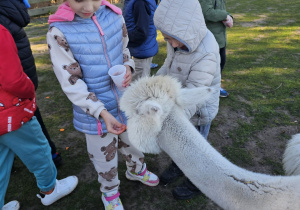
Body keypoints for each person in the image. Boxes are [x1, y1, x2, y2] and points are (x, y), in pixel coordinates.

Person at [47, 0, 159, 209]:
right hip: (95, 116)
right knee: (103, 158)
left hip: (126, 102)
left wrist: (128, 66)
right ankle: (109, 192)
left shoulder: (114, 15)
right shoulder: (58, 32)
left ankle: (136, 169)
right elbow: (71, 83)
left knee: (133, 142)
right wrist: (101, 112)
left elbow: (124, 48)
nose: (88, 7)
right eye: (79, 0)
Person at [0, 24, 78, 210]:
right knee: (39, 149)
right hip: (10, 113)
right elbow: (12, 80)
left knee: (1, 159)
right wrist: (28, 90)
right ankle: (50, 189)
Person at [154, 0, 221, 200]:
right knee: (182, 145)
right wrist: (155, 83)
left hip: (198, 112)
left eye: (172, 39)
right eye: (167, 38)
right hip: (179, 106)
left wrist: (173, 120)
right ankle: (179, 165)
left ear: (186, 30)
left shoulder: (206, 52)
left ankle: (198, 180)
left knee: (196, 147)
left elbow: (196, 94)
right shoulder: (179, 38)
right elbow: (168, 64)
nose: (171, 43)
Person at [0, 0, 63, 167]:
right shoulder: (9, 12)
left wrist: (27, 89)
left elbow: (12, 79)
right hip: (19, 84)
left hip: (17, 89)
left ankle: (49, 165)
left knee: (30, 122)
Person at [199, 0, 233, 97]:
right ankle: (208, 90)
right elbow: (207, 12)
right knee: (209, 67)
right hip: (210, 39)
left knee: (220, 64)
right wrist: (225, 16)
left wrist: (229, 17)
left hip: (220, 39)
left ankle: (215, 87)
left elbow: (220, 10)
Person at [123, 0, 159, 81]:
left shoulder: (140, 3)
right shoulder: (132, 2)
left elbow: (142, 33)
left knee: (139, 83)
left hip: (142, 51)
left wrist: (125, 36)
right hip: (138, 49)